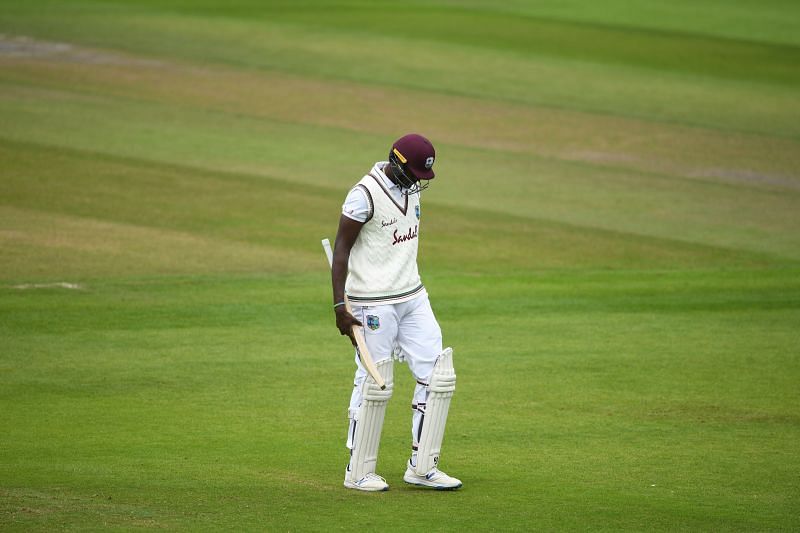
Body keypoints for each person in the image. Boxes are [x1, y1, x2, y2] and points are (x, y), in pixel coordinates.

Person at [330, 133, 462, 492]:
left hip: (413, 294)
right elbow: (341, 250)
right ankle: (357, 471)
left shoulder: (411, 190)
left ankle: (423, 466)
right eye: (415, 172)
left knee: (438, 375)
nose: (418, 181)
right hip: (372, 301)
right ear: (396, 162)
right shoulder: (364, 195)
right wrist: (341, 306)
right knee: (375, 380)